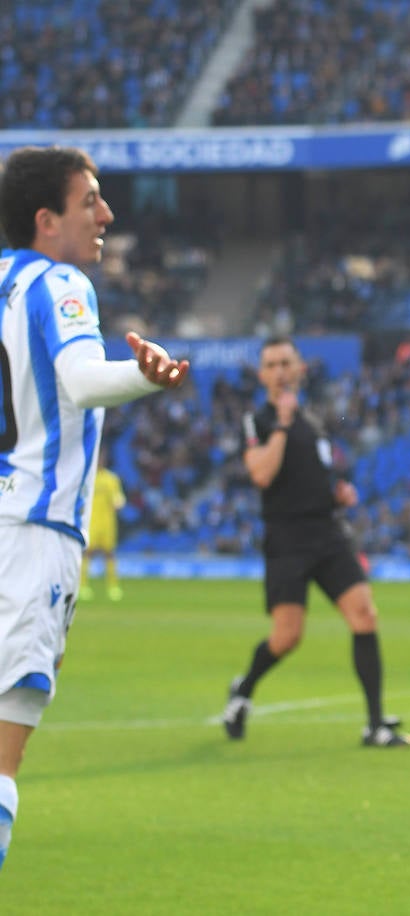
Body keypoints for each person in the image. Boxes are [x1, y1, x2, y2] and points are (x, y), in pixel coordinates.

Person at [0, 145, 190, 871]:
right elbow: (80, 380)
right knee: (3, 762)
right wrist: (148, 376)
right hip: (32, 539)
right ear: (47, 221)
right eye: (90, 202)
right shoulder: (60, 284)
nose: (106, 214)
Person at [220, 337, 410, 748]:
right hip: (287, 540)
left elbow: (314, 477)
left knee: (365, 615)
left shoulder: (314, 422)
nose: (279, 371)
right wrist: (284, 425)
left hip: (327, 533)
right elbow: (261, 475)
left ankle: (375, 724)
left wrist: (336, 495)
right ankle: (244, 689)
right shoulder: (259, 422)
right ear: (262, 375)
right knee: (287, 636)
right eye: (270, 364)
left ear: (300, 369)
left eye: (286, 362)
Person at [80, 450, 126, 601]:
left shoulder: (111, 478)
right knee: (88, 553)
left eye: (102, 458)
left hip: (107, 522)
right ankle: (83, 585)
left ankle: (113, 586)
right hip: (91, 522)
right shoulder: (87, 478)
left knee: (109, 553)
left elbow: (118, 499)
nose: (100, 461)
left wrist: (118, 502)